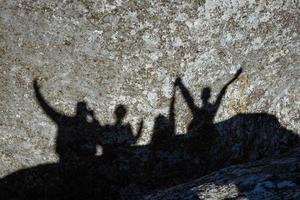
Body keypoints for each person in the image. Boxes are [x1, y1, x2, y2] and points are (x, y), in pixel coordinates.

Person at [175, 68, 242, 152]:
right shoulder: (209, 111)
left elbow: (189, 100)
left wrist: (180, 84)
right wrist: (235, 77)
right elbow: (221, 93)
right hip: (204, 138)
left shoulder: (206, 112)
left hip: (203, 138)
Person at [33, 79, 101, 162]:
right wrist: (94, 118)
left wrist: (37, 91)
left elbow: (47, 109)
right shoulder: (87, 126)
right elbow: (47, 109)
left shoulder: (67, 121)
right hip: (77, 162)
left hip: (72, 161)